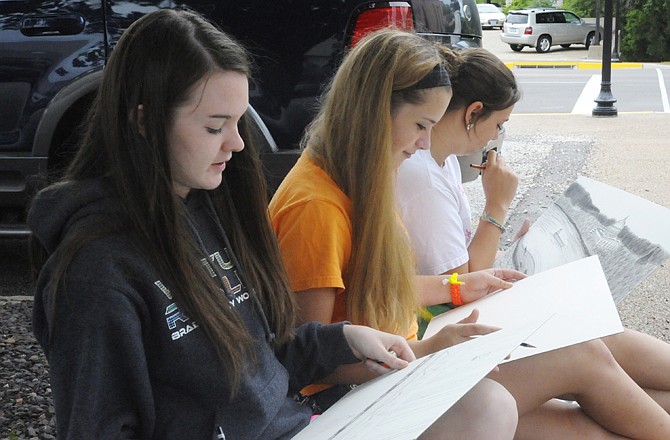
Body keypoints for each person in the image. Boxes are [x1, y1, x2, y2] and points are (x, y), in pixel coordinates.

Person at [26, 10, 426, 439]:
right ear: (143, 121)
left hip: (301, 423)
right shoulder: (97, 271)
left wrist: (343, 339)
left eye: (238, 122)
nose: (236, 144)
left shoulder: (207, 210)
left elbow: (256, 371)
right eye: (216, 126)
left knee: (480, 406)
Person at [269, 31, 670, 440]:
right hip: (370, 392)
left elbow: (373, 287)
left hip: (404, 366)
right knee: (583, 355)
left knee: (592, 413)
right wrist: (433, 348)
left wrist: (458, 286)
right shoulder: (315, 206)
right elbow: (310, 359)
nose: (424, 142)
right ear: (372, 113)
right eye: (421, 125)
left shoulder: (361, 173)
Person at [397, 47, 670, 429]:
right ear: (473, 113)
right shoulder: (422, 176)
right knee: (596, 342)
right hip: (446, 329)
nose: (498, 137)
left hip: (451, 320)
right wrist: (498, 206)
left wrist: (508, 244)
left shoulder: (437, 166)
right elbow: (461, 280)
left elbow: (460, 270)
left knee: (605, 344)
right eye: (500, 124)